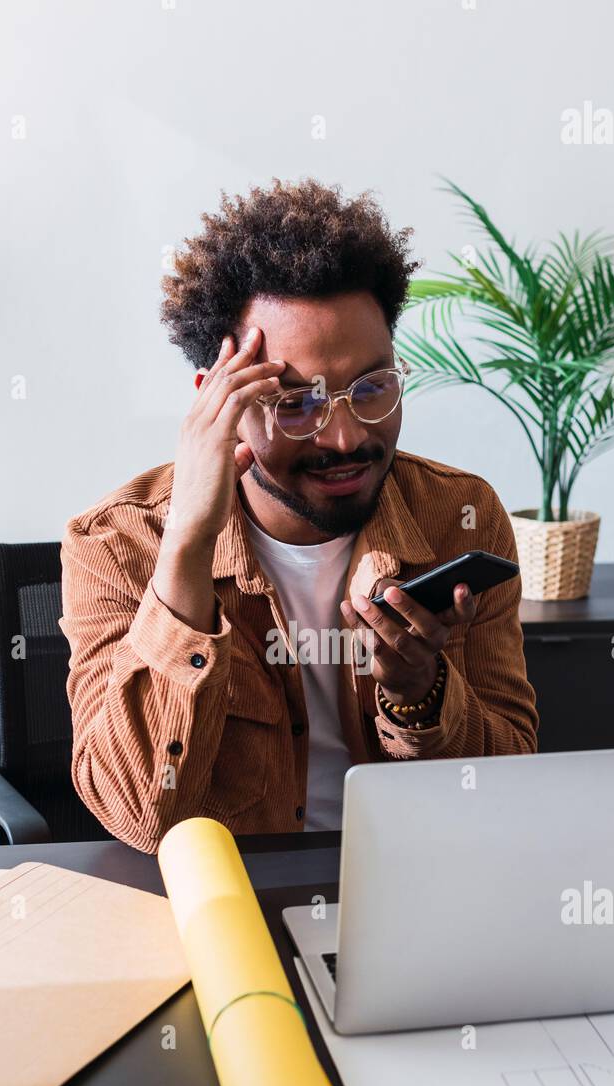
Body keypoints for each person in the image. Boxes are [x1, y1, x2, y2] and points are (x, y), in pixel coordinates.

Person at [60, 178, 538, 852]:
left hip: (412, 875)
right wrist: (188, 547)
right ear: (216, 402)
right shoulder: (117, 543)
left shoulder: (460, 516)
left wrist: (421, 693)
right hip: (235, 897)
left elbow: (508, 785)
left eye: (371, 388)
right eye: (295, 402)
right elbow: (140, 816)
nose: (345, 437)